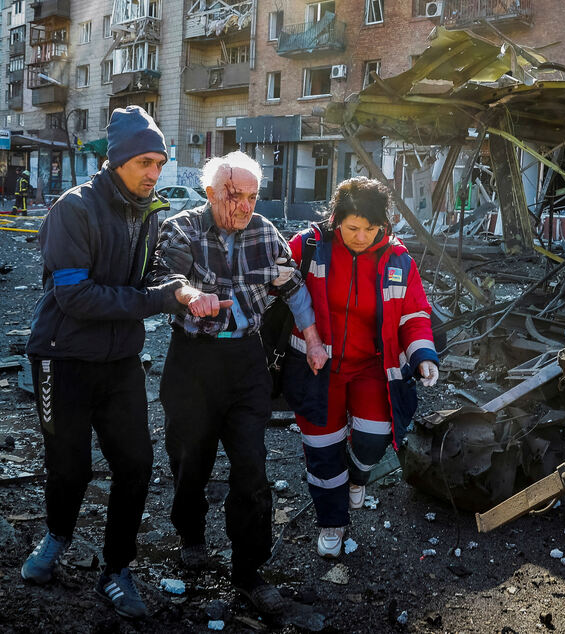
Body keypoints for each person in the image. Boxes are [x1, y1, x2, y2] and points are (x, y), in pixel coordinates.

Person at [21, 106, 199, 620]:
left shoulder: (149, 213)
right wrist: (159, 300)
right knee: (69, 466)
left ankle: (116, 570)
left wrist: (181, 291)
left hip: (120, 361)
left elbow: (145, 283)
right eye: (145, 161)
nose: (153, 173)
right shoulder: (74, 208)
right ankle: (56, 538)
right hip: (62, 358)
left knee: (136, 465)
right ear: (118, 160)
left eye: (159, 163)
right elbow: (76, 298)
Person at [148, 151, 328, 616]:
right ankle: (190, 533)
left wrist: (311, 340)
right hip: (192, 363)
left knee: (252, 470)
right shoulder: (182, 227)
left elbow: (294, 288)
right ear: (211, 193)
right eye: (234, 195)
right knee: (191, 462)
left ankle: (249, 572)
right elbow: (165, 277)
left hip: (246, 363)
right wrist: (191, 296)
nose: (244, 206)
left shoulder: (266, 233)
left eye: (252, 196)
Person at [283, 177, 440, 559]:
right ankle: (332, 523)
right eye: (353, 228)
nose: (361, 236)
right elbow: (279, 291)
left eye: (370, 229)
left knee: (374, 437)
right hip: (318, 367)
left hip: (373, 368)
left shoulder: (398, 259)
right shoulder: (308, 247)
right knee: (322, 448)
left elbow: (414, 313)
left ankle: (357, 476)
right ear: (336, 219)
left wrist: (423, 356)